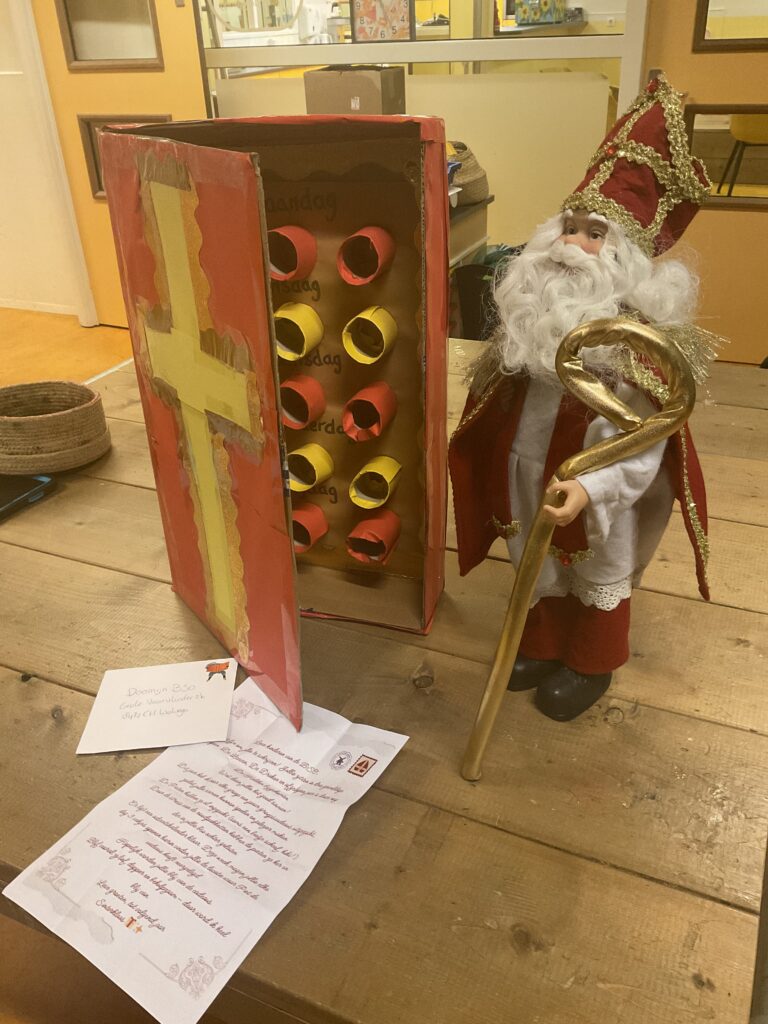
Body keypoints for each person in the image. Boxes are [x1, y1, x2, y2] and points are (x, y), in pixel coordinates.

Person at [449, 74, 719, 722]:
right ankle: (541, 645)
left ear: (626, 261)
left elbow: (644, 445)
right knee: (535, 564)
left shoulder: (633, 352)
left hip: (596, 491)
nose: (571, 245)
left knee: (596, 568)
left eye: (593, 234)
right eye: (568, 228)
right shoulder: (533, 325)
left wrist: (593, 490)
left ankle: (590, 662)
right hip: (528, 475)